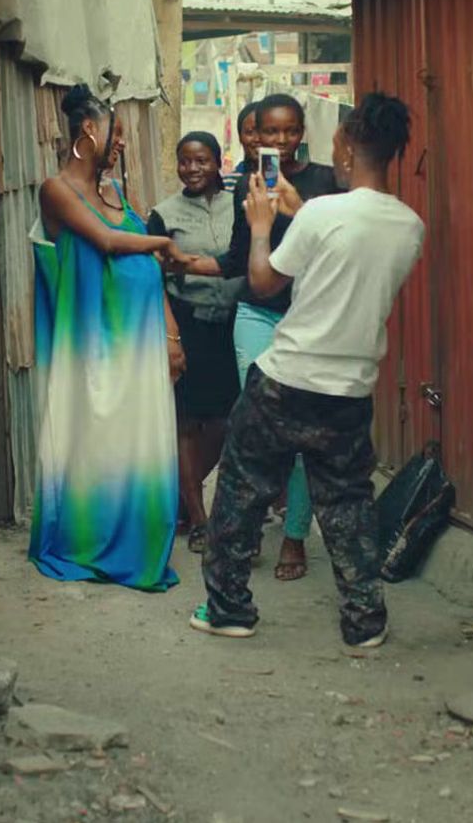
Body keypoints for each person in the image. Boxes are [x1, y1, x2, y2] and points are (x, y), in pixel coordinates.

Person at [189, 93, 424, 647]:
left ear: (346, 148)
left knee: (241, 494)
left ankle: (230, 610)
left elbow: (266, 283)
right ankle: (364, 622)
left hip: (286, 380)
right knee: (347, 503)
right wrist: (299, 211)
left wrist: (264, 224)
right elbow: (350, 251)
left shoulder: (322, 213)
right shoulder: (410, 226)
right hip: (350, 387)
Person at [29, 85, 191, 591]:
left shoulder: (117, 194)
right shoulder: (55, 190)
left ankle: (136, 540)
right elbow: (107, 242)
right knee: (94, 446)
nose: (119, 144)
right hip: (92, 348)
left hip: (138, 346)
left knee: (137, 443)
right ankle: (90, 541)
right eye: (114, 133)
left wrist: (170, 330)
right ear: (88, 132)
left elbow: (143, 264)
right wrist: (164, 241)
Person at [186, 95, 337, 581]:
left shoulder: (327, 182)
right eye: (267, 132)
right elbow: (238, 255)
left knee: (302, 433)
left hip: (310, 320)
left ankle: (294, 536)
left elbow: (335, 244)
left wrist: (297, 208)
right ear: (254, 134)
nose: (277, 141)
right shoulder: (245, 186)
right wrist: (188, 263)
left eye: (288, 131)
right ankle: (245, 532)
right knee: (253, 425)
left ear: (302, 132)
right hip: (255, 312)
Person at [147, 132, 243, 552]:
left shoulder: (240, 206)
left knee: (226, 420)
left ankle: (182, 497)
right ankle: (200, 519)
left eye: (201, 160)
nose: (192, 169)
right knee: (185, 420)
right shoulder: (163, 214)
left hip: (234, 324)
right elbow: (155, 278)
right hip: (187, 321)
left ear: (219, 162)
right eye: (184, 161)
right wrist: (169, 336)